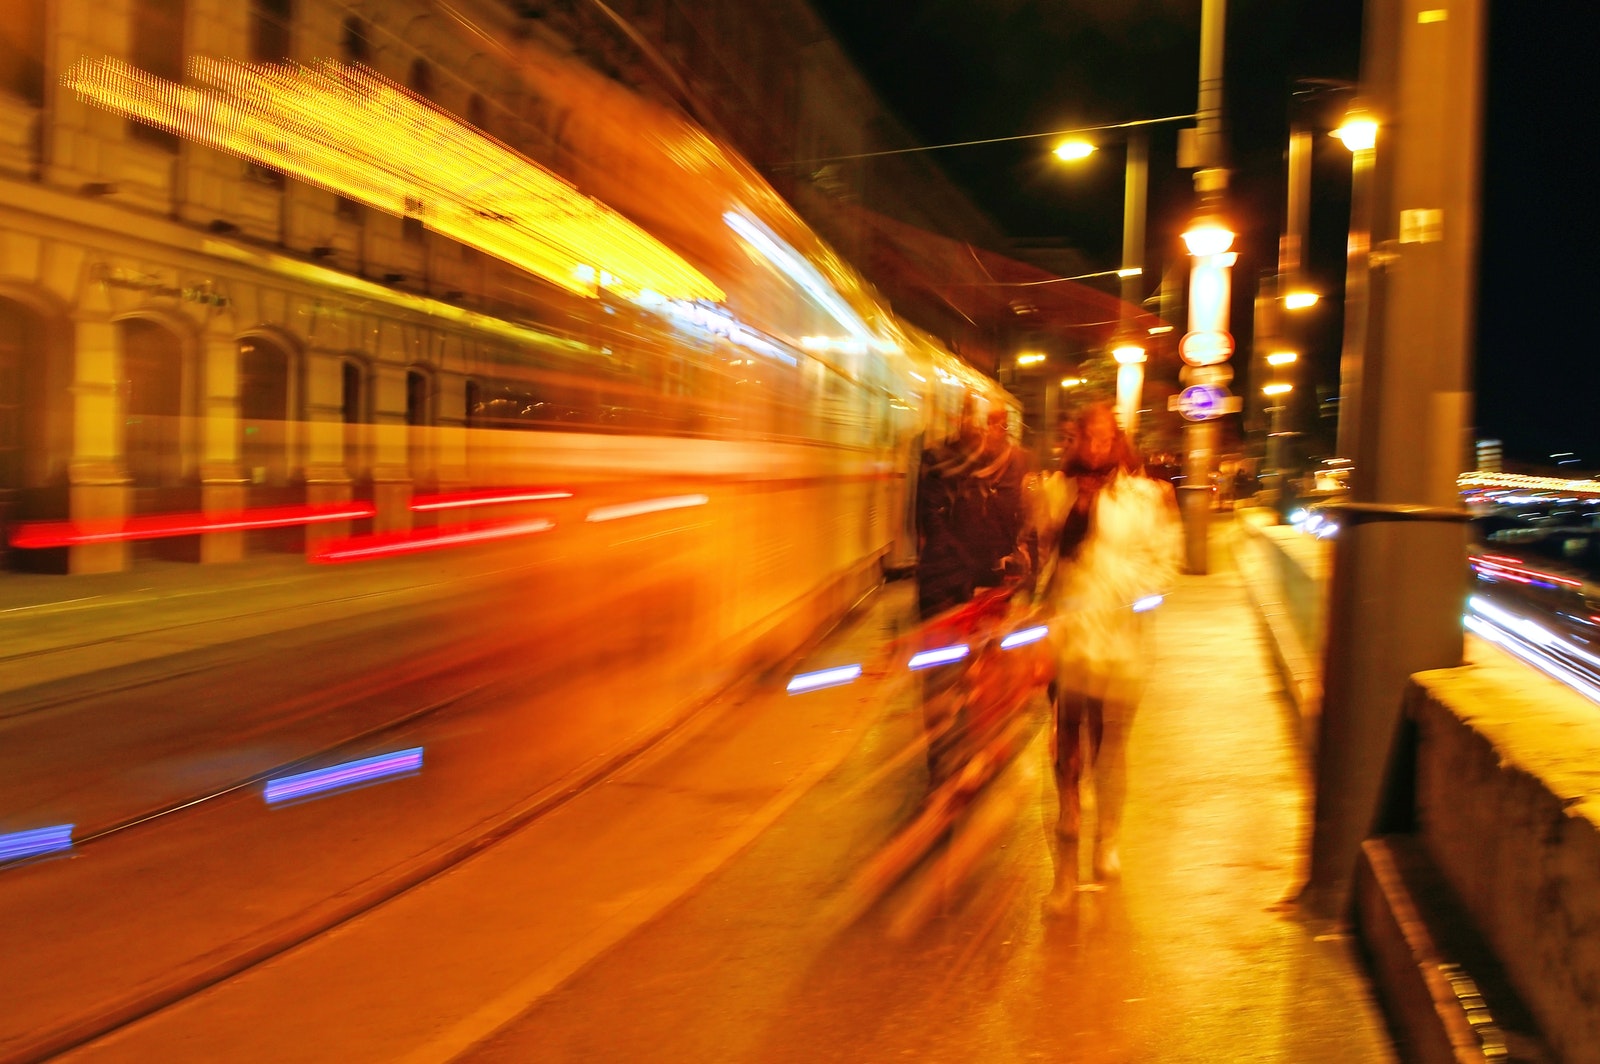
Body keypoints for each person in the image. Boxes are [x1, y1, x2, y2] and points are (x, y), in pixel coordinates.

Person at [1037, 402, 1181, 908]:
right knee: (1066, 752)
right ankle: (1065, 869)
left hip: (1121, 648)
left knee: (1110, 750)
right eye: (1087, 437)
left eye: (1105, 438)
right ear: (1076, 441)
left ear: (1118, 441)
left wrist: (1133, 595)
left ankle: (1109, 839)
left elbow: (1165, 565)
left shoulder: (1147, 498)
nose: (1096, 448)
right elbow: (1043, 560)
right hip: (1073, 644)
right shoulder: (1057, 492)